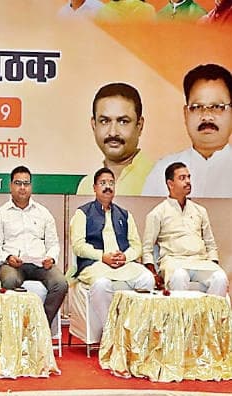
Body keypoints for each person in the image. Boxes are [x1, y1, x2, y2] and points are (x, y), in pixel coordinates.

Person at [70, 167, 154, 340]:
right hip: (95, 264)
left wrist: (125, 257)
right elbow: (78, 246)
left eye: (111, 183)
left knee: (147, 279)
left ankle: (135, 331)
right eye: (103, 183)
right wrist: (102, 256)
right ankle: (113, 333)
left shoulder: (125, 214)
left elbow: (136, 246)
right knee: (101, 284)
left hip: (123, 264)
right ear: (94, 187)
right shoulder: (82, 213)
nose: (107, 187)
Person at [0, 166, 68, 327]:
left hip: (40, 264)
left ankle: (40, 327)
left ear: (31, 186)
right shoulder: (1, 214)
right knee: (9, 281)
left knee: (61, 284)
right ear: (11, 186)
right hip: (13, 264)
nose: (22, 187)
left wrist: (51, 258)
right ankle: (14, 328)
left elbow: (53, 243)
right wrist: (7, 258)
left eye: (26, 183)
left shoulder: (43, 213)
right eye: (18, 183)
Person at [142, 64, 232, 197]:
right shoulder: (162, 170)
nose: (207, 116)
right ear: (186, 114)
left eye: (217, 107)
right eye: (197, 107)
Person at [142, 162, 228, 295]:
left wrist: (213, 263)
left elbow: (210, 244)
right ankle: (181, 310)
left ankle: (210, 310)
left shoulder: (200, 210)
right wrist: (153, 273)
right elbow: (147, 248)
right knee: (179, 276)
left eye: (188, 177)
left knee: (220, 278)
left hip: (200, 261)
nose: (188, 181)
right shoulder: (157, 213)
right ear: (170, 184)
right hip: (174, 262)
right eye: (182, 178)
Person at [76, 83, 153, 195]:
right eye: (104, 121)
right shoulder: (86, 186)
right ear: (94, 125)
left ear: (139, 125)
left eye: (123, 122)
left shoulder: (158, 179)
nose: (113, 132)